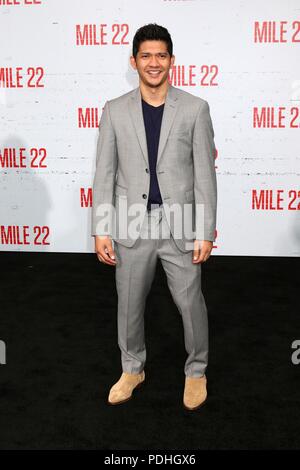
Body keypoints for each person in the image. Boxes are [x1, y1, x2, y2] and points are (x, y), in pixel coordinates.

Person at [91, 23, 217, 411]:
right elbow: (105, 173)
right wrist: (101, 228)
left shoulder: (195, 108)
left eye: (161, 55)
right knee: (128, 304)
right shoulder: (114, 110)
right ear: (134, 61)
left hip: (180, 224)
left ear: (172, 61)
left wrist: (205, 231)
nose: (154, 62)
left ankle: (196, 371)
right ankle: (133, 368)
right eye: (146, 55)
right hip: (130, 223)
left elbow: (204, 175)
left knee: (190, 303)